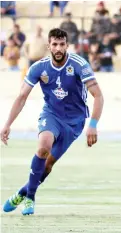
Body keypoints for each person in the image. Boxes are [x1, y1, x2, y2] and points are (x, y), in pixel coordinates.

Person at [1, 28, 104, 215]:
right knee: (43, 146)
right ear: (48, 46)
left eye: (62, 44)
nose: (58, 48)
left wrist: (93, 124)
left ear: (67, 45)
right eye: (54, 44)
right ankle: (30, 198)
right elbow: (22, 96)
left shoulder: (80, 64)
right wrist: (7, 124)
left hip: (75, 122)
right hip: (51, 115)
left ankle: (22, 192)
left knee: (47, 165)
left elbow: (98, 96)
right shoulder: (38, 67)